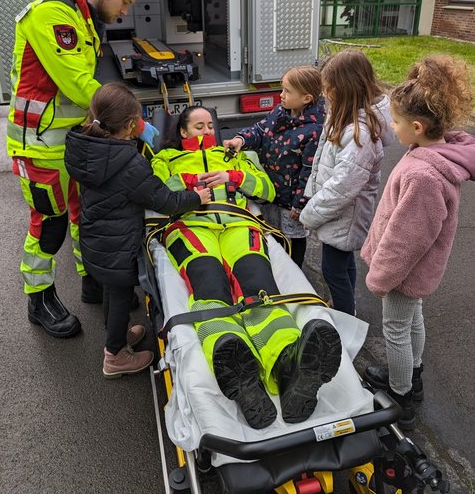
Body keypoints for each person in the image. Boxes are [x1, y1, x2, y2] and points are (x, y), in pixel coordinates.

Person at [151, 106, 342, 429]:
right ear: (183, 132)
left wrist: (233, 177)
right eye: (199, 126)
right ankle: (240, 374)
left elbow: (267, 190)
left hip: (239, 225)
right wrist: (190, 181)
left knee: (259, 287)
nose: (207, 130)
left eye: (211, 124)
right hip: (191, 226)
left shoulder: (233, 156)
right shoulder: (165, 159)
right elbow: (155, 192)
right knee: (209, 285)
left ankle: (287, 365)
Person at [7, 0, 159, 339]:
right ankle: (39, 298)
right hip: (38, 144)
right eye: (124, 1)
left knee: (81, 213)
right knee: (50, 225)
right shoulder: (53, 15)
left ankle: (91, 279)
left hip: (69, 143)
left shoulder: (81, 18)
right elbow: (77, 85)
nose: (125, 11)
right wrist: (132, 122)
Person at [64, 83, 210, 377]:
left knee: (110, 291)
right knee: (119, 296)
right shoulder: (129, 163)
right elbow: (165, 201)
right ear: (131, 125)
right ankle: (115, 356)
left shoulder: (86, 147)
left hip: (96, 241)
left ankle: (115, 335)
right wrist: (197, 197)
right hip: (118, 247)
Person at [362, 55, 475, 430]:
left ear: (416, 125)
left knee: (396, 327)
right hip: (414, 272)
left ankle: (401, 396)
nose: (391, 128)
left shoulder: (424, 174)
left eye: (394, 122)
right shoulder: (430, 153)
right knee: (412, 319)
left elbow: (406, 240)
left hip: (404, 273)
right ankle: (412, 373)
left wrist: (380, 277)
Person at [299, 49, 394, 316]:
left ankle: (344, 318)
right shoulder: (345, 115)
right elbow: (323, 162)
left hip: (344, 215)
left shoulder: (358, 134)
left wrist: (310, 214)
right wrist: (311, 197)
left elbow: (342, 188)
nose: (325, 94)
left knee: (333, 270)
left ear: (346, 88)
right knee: (342, 264)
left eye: (329, 89)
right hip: (339, 215)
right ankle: (346, 305)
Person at [223, 66, 324, 268]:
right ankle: (277, 269)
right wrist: (241, 140)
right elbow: (260, 130)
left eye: (287, 91)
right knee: (273, 232)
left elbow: (309, 172)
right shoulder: (279, 112)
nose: (281, 95)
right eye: (282, 89)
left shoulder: (314, 131)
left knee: (293, 239)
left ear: (306, 98)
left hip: (291, 202)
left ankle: (295, 272)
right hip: (271, 191)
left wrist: (300, 204)